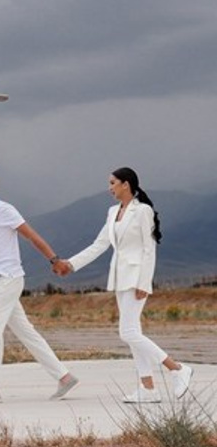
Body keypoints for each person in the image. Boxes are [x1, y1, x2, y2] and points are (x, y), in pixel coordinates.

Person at [53, 167, 193, 403]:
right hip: (119, 278)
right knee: (133, 333)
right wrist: (71, 264)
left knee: (127, 332)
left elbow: (149, 249)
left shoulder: (143, 211)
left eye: (112, 183)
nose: (109, 188)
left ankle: (177, 368)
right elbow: (99, 245)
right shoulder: (113, 212)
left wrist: (144, 282)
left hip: (136, 278)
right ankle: (148, 389)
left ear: (125, 184)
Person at [0, 171, 78, 403]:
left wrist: (54, 259)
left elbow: (31, 236)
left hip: (7, 279)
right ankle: (64, 377)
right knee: (26, 333)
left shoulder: (4, 209)